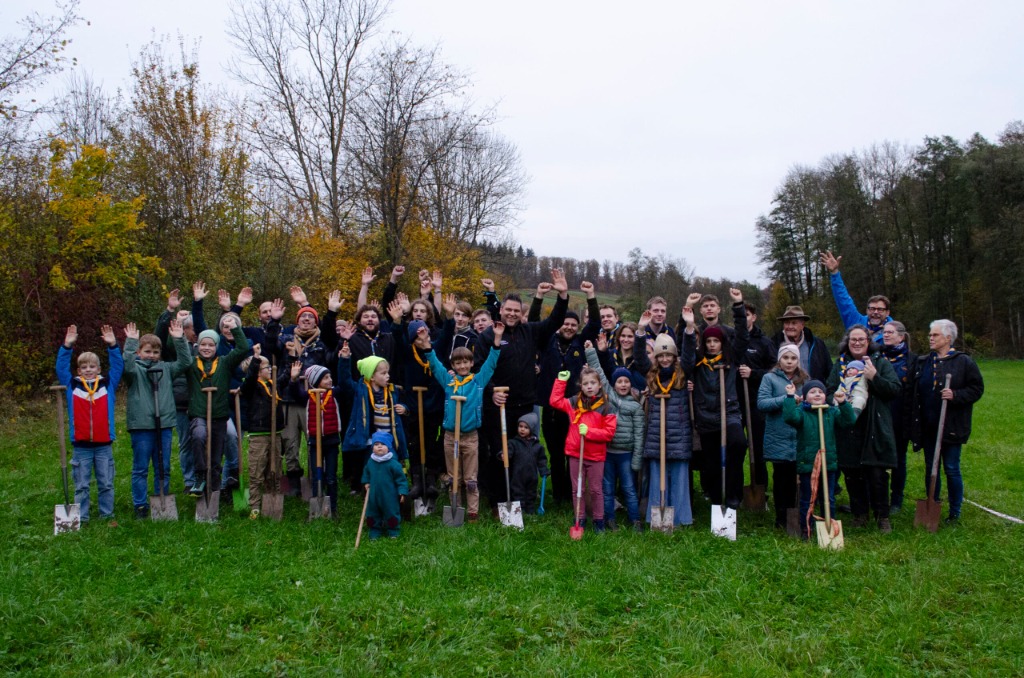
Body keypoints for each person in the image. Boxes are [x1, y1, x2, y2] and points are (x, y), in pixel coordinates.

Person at [477, 268, 569, 512]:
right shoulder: (488, 336)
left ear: (521, 313)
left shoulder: (530, 332)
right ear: (500, 310)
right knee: (498, 454)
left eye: (516, 311)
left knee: (523, 455)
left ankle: (520, 500)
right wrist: (492, 391)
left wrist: (562, 296)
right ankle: (498, 501)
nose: (512, 314)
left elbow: (554, 322)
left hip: (525, 407)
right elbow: (478, 371)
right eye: (508, 310)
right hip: (497, 406)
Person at [423, 323, 504, 523]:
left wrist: (497, 340)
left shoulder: (477, 382)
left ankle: (473, 512)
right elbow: (435, 365)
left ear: (470, 363)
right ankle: (455, 507)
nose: (462, 366)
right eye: (457, 363)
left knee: (470, 477)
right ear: (453, 366)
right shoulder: (448, 383)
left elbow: (491, 364)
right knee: (454, 477)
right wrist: (427, 346)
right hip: (450, 437)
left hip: (470, 437)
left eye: (465, 363)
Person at [908, 319, 984, 524]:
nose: (930, 338)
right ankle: (932, 503)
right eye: (930, 335)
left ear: (948, 338)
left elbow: (977, 389)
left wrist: (956, 395)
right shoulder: (924, 362)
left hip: (951, 425)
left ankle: (955, 511)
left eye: (935, 335)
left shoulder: (963, 362)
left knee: (951, 467)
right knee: (930, 467)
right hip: (928, 425)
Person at [825, 325, 901, 532]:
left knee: (877, 474)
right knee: (852, 473)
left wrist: (874, 377)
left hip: (873, 425)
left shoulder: (880, 363)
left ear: (868, 342)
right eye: (853, 340)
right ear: (847, 342)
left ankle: (882, 516)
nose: (857, 343)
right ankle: (860, 513)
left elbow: (894, 390)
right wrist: (837, 399)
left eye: (861, 340)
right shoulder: (839, 364)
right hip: (848, 427)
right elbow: (829, 390)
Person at [535, 280, 600, 505]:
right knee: (555, 453)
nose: (570, 327)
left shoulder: (581, 343)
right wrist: (541, 297)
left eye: (573, 324)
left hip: (575, 409)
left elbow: (596, 325)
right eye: (566, 323)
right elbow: (534, 321)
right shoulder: (546, 341)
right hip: (551, 408)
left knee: (573, 452)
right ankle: (560, 495)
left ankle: (575, 493)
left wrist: (590, 295)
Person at [122, 320, 193, 517]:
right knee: (141, 467)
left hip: (164, 425)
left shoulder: (166, 369)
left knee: (163, 466)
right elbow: (126, 366)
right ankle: (140, 505)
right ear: (139, 353)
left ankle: (161, 499)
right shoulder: (134, 371)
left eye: (155, 352)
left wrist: (179, 339)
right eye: (147, 352)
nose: (151, 356)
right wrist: (130, 343)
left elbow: (186, 362)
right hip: (142, 426)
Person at [55, 324, 123, 523]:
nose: (88, 370)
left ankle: (106, 514)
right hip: (81, 446)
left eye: (92, 367)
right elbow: (61, 367)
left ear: (99, 369)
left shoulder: (107, 384)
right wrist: (67, 346)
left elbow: (118, 366)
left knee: (106, 483)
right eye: (84, 367)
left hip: (103, 445)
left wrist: (112, 346)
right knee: (82, 484)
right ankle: (81, 517)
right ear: (78, 370)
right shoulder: (72, 386)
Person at [692, 289, 750, 509]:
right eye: (709, 342)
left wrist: (738, 306)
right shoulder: (698, 363)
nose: (712, 344)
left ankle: (734, 495)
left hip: (730, 413)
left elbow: (743, 336)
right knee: (712, 462)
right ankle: (717, 500)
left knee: (738, 444)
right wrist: (687, 323)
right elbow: (687, 349)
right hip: (707, 416)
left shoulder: (730, 358)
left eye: (716, 341)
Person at [643, 307, 698, 527]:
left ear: (675, 356)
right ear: (656, 358)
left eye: (669, 355)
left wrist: (690, 327)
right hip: (658, 437)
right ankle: (656, 518)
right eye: (661, 355)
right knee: (657, 477)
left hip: (679, 435)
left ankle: (681, 517)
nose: (665, 359)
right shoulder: (652, 376)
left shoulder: (683, 374)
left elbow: (690, 352)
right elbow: (639, 357)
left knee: (680, 477)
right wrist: (640, 330)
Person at [783, 381, 856, 539]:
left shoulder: (831, 412)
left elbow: (849, 421)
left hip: (828, 463)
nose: (817, 394)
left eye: (820, 392)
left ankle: (830, 527)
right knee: (808, 498)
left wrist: (843, 403)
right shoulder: (802, 412)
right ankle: (806, 529)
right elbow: (789, 417)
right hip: (808, 464)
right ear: (804, 397)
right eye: (812, 392)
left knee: (828, 498)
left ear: (825, 396)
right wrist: (789, 396)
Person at [549, 366, 618, 533]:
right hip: (575, 453)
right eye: (585, 383)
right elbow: (555, 401)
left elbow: (609, 433)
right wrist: (560, 382)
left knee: (595, 489)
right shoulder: (574, 402)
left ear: (599, 385)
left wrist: (589, 432)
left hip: (595, 456)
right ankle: (579, 519)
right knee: (577, 488)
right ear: (581, 385)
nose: (589, 386)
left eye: (593, 383)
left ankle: (598, 521)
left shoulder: (607, 406)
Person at [185, 325, 250, 497]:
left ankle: (213, 493)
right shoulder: (191, 364)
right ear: (198, 346)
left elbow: (243, 348)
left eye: (211, 345)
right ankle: (199, 475)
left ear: (216, 346)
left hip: (219, 415)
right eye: (203, 345)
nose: (207, 348)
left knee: (215, 456)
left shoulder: (225, 363)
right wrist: (177, 336)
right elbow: (177, 354)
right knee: (198, 436)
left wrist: (235, 328)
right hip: (198, 413)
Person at [585, 340, 644, 531]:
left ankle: (635, 519)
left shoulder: (635, 406)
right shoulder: (608, 395)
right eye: (620, 381)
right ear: (614, 383)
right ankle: (609, 519)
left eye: (626, 381)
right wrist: (591, 351)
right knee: (607, 489)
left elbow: (639, 434)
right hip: (607, 453)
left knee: (628, 489)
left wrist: (636, 459)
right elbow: (599, 374)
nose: (623, 384)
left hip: (626, 455)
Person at [757, 344, 808, 530]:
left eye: (793, 358)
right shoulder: (769, 378)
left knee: (797, 479)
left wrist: (805, 402)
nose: (789, 362)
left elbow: (813, 399)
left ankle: (796, 515)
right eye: (785, 358)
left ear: (798, 361)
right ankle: (780, 517)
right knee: (781, 479)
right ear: (780, 360)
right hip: (778, 436)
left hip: (798, 437)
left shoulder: (804, 379)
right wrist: (786, 399)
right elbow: (762, 403)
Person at [288, 360, 344, 515]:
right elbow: (295, 393)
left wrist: (344, 361)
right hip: (315, 441)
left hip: (331, 441)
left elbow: (345, 383)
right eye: (325, 378)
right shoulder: (308, 396)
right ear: (316, 381)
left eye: (330, 377)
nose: (330, 380)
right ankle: (316, 506)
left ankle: (333, 508)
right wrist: (293, 379)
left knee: (331, 477)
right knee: (317, 474)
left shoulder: (335, 394)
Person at [239, 345, 287, 518]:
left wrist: (290, 358)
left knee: (275, 469)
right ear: (258, 371)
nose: (270, 370)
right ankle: (255, 505)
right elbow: (250, 378)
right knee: (257, 470)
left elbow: (285, 376)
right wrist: (256, 359)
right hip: (259, 435)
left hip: (275, 434)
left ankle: (272, 500)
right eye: (266, 368)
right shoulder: (252, 387)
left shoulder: (274, 385)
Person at [819, 251, 894, 344]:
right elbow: (844, 301)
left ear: (887, 313)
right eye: (872, 308)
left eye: (880, 309)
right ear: (867, 310)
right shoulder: (856, 324)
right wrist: (835, 273)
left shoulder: (895, 333)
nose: (875, 312)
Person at [881, 320, 917, 512]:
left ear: (901, 337)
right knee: (878, 460)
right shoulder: (877, 356)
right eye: (884, 332)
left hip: (900, 417)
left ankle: (896, 498)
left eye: (890, 332)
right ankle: (878, 496)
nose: (886, 335)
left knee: (898, 460)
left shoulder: (912, 361)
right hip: (880, 416)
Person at [739, 302, 775, 490]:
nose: (743, 318)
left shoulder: (764, 342)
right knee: (736, 448)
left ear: (753, 317)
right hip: (735, 402)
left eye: (747, 314)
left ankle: (760, 488)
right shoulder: (732, 340)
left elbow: (774, 370)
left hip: (756, 402)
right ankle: (735, 489)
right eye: (740, 315)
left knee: (758, 448)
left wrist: (753, 373)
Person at [361, 430, 410, 539]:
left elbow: (401, 479)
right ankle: (374, 530)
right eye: (376, 444)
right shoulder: (371, 462)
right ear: (372, 447)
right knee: (372, 512)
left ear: (389, 447)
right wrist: (366, 482)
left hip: (389, 496)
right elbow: (366, 473)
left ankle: (393, 530)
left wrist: (402, 492)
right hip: (373, 495)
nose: (379, 447)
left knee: (391, 512)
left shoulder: (393, 464)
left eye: (383, 444)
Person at [771, 306, 832, 382]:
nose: (790, 326)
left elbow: (829, 372)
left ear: (802, 325)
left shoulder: (817, 344)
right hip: (783, 392)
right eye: (787, 323)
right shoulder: (773, 344)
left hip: (812, 391)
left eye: (794, 323)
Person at [507, 413, 549, 514]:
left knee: (531, 493)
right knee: (518, 493)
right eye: (520, 426)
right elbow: (508, 451)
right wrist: (503, 455)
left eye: (526, 427)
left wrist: (544, 471)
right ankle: (519, 511)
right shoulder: (513, 443)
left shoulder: (537, 446)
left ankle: (530, 510)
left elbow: (541, 460)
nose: (522, 429)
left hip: (532, 476)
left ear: (532, 429)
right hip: (518, 475)